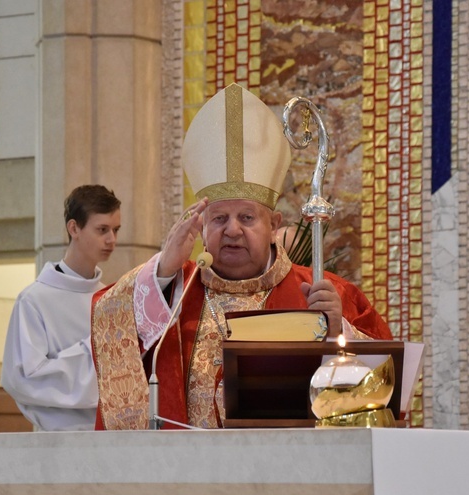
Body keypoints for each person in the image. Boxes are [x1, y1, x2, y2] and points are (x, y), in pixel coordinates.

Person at [91, 84, 391, 430]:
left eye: (247, 217)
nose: (232, 230)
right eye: (219, 219)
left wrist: (339, 331)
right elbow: (110, 320)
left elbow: (387, 383)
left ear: (273, 223)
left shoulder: (322, 291)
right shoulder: (175, 290)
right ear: (201, 225)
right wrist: (162, 269)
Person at [1, 184, 121, 431]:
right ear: (74, 228)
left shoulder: (111, 298)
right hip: (57, 443)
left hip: (112, 438)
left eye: (115, 230)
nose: (112, 240)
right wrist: (94, 350)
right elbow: (23, 379)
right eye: (102, 230)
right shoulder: (34, 300)